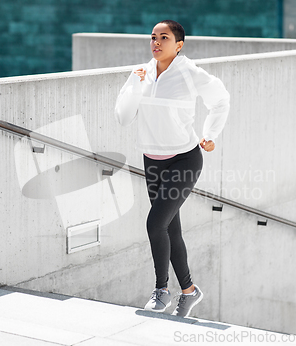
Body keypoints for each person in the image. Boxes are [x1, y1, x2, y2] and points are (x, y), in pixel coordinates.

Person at [114, 20, 230, 317]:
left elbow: (220, 100)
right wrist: (134, 86)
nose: (156, 42)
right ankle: (190, 292)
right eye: (153, 37)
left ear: (179, 45)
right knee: (170, 229)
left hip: (184, 160)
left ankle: (161, 290)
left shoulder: (190, 73)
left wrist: (210, 134)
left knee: (155, 224)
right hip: (152, 161)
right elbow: (124, 117)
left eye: (163, 37)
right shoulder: (142, 73)